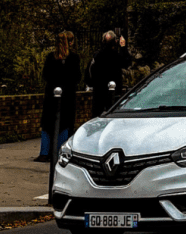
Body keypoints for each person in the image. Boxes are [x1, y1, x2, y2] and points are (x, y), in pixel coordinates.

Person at [36, 31, 81, 162]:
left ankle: (44, 152)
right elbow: (77, 77)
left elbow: (45, 75)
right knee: (65, 124)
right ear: (71, 42)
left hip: (51, 95)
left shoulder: (51, 57)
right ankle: (60, 151)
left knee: (47, 124)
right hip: (67, 96)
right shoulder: (74, 58)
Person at [89, 30, 132, 117]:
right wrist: (123, 47)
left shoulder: (97, 56)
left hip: (99, 92)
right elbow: (127, 63)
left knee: (97, 116)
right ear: (115, 42)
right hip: (113, 93)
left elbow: (90, 73)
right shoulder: (116, 56)